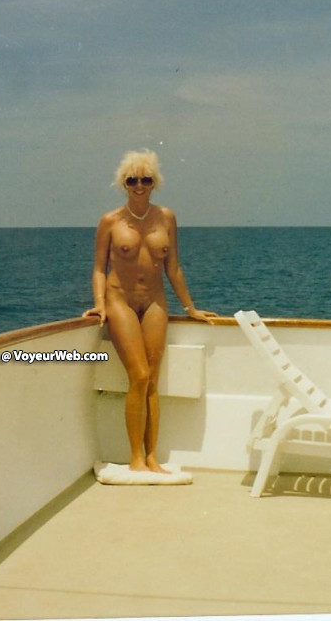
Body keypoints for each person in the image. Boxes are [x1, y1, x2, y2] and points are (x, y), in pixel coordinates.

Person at [83, 149, 217, 473]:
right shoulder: (110, 221)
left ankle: (152, 456)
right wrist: (100, 304)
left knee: (152, 381)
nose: (139, 186)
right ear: (124, 184)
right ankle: (135, 457)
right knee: (139, 376)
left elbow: (173, 268)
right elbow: (99, 268)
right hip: (120, 301)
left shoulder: (166, 218)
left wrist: (190, 307)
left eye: (146, 180)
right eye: (132, 180)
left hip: (155, 300)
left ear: (154, 183)